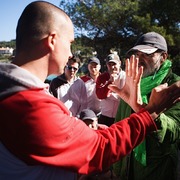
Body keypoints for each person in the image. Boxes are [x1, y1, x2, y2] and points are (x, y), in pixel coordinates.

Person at [0, 1, 180, 179]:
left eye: (146, 54)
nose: (71, 54)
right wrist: (149, 113)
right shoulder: (28, 106)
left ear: (163, 56)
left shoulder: (17, 94)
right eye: (70, 43)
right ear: (52, 41)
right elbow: (99, 148)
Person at [114, 32, 180, 180]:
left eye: (147, 54)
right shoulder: (132, 83)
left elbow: (174, 132)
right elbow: (119, 124)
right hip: (126, 167)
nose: (140, 59)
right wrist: (116, 168)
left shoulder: (174, 86)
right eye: (137, 54)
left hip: (157, 169)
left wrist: (144, 111)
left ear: (163, 57)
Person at [96, 53, 126, 126]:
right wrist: (109, 82)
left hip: (119, 116)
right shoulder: (102, 77)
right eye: (110, 64)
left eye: (114, 64)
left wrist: (109, 96)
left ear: (119, 63)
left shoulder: (125, 76)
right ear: (107, 65)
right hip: (105, 116)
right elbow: (100, 95)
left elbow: (124, 97)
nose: (112, 67)